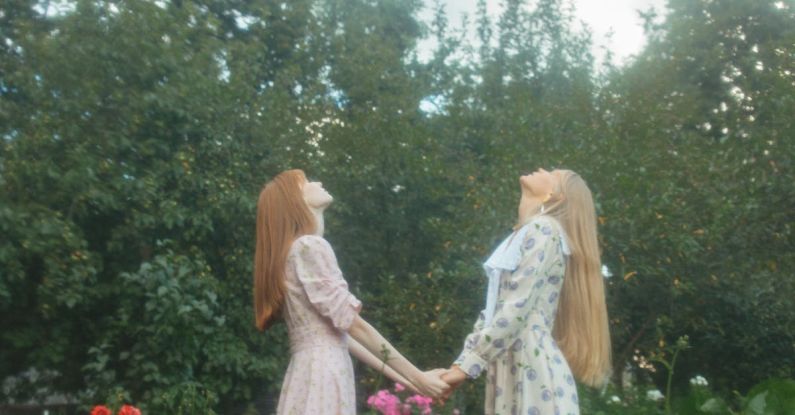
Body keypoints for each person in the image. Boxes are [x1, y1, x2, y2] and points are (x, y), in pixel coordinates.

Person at [253, 169, 449, 414]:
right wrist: (419, 377)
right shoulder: (309, 246)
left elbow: (346, 337)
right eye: (306, 182)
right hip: (325, 373)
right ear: (295, 200)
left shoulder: (295, 252)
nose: (318, 181)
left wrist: (411, 381)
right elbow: (355, 326)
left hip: (310, 372)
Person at [440, 168, 612, 415]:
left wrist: (467, 366)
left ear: (556, 196)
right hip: (521, 370)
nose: (542, 170)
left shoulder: (544, 229)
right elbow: (496, 310)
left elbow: (516, 309)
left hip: (531, 376)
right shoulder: (530, 232)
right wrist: (460, 364)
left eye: (552, 173)